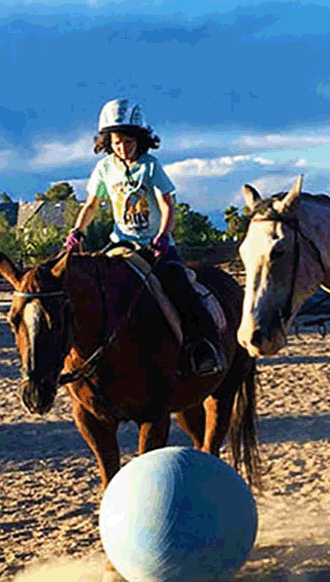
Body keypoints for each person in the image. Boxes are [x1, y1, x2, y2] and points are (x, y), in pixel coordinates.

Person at [65, 98, 225, 378]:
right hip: (120, 244)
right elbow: (91, 205)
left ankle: (202, 349)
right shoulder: (104, 169)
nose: (122, 148)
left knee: (181, 289)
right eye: (116, 142)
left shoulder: (151, 166)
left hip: (155, 246)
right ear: (106, 142)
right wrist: (77, 231)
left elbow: (167, 205)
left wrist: (163, 235)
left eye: (128, 141)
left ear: (140, 139)